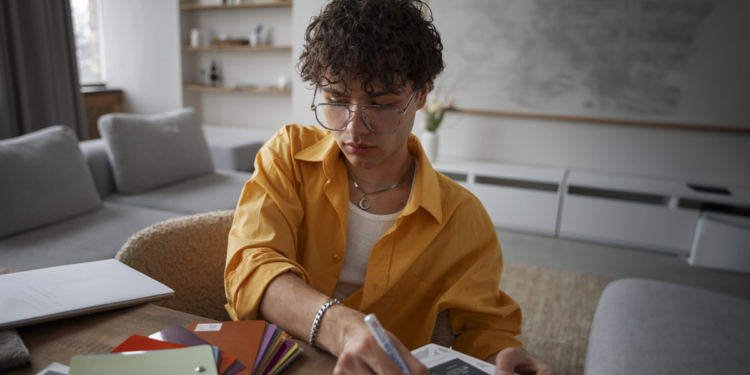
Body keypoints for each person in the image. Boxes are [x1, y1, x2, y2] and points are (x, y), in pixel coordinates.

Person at [224, 1, 556, 374]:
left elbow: (485, 329)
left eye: (381, 104)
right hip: (272, 363)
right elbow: (251, 267)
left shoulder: (460, 216)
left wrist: (501, 357)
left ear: (422, 95)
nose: (353, 130)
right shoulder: (288, 155)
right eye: (335, 100)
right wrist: (341, 328)